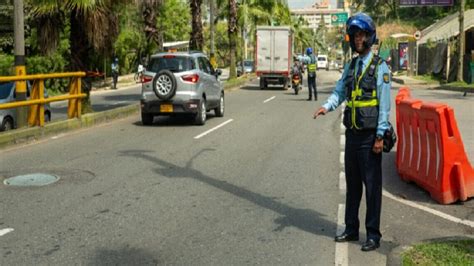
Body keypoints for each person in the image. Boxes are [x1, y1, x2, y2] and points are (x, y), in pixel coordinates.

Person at [313, 12, 391, 252]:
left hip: (370, 138)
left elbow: (385, 106)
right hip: (353, 136)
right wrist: (326, 106)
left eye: (362, 35)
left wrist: (380, 136)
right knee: (353, 186)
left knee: (372, 188)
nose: (358, 40)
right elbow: (339, 92)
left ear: (369, 37)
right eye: (355, 36)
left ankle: (373, 235)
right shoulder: (351, 66)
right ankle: (350, 228)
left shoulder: (380, 67)